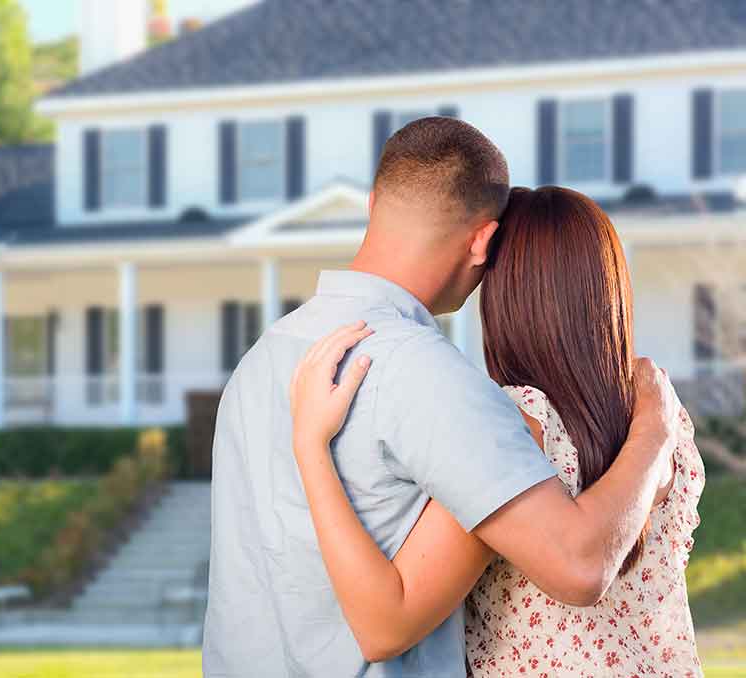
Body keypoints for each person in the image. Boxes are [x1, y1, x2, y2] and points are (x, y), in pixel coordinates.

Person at [203, 117, 680, 677]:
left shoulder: (261, 361)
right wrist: (655, 432)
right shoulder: (428, 375)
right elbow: (578, 567)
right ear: (483, 240)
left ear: (375, 201)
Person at [289, 186, 704, 676]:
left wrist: (310, 444)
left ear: (506, 297)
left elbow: (387, 624)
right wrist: (652, 431)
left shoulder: (517, 423)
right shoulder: (658, 414)